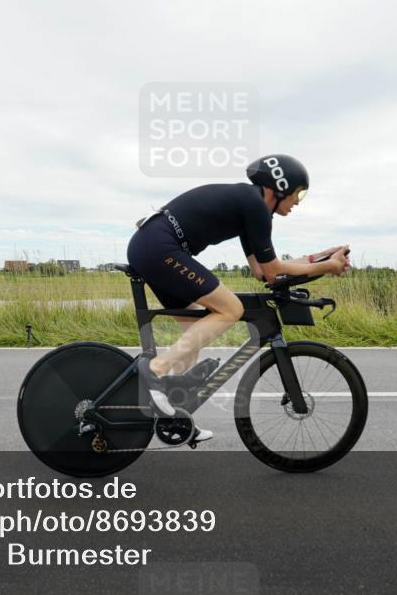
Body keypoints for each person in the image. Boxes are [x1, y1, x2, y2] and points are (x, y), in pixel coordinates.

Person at [126, 154, 351, 442]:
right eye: (298, 193)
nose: (298, 202)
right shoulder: (254, 205)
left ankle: (173, 415)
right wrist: (327, 267)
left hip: (153, 245)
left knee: (191, 335)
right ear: (278, 187)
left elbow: (262, 270)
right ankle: (155, 371)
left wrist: (319, 258)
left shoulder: (252, 207)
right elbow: (272, 271)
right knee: (231, 308)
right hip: (160, 247)